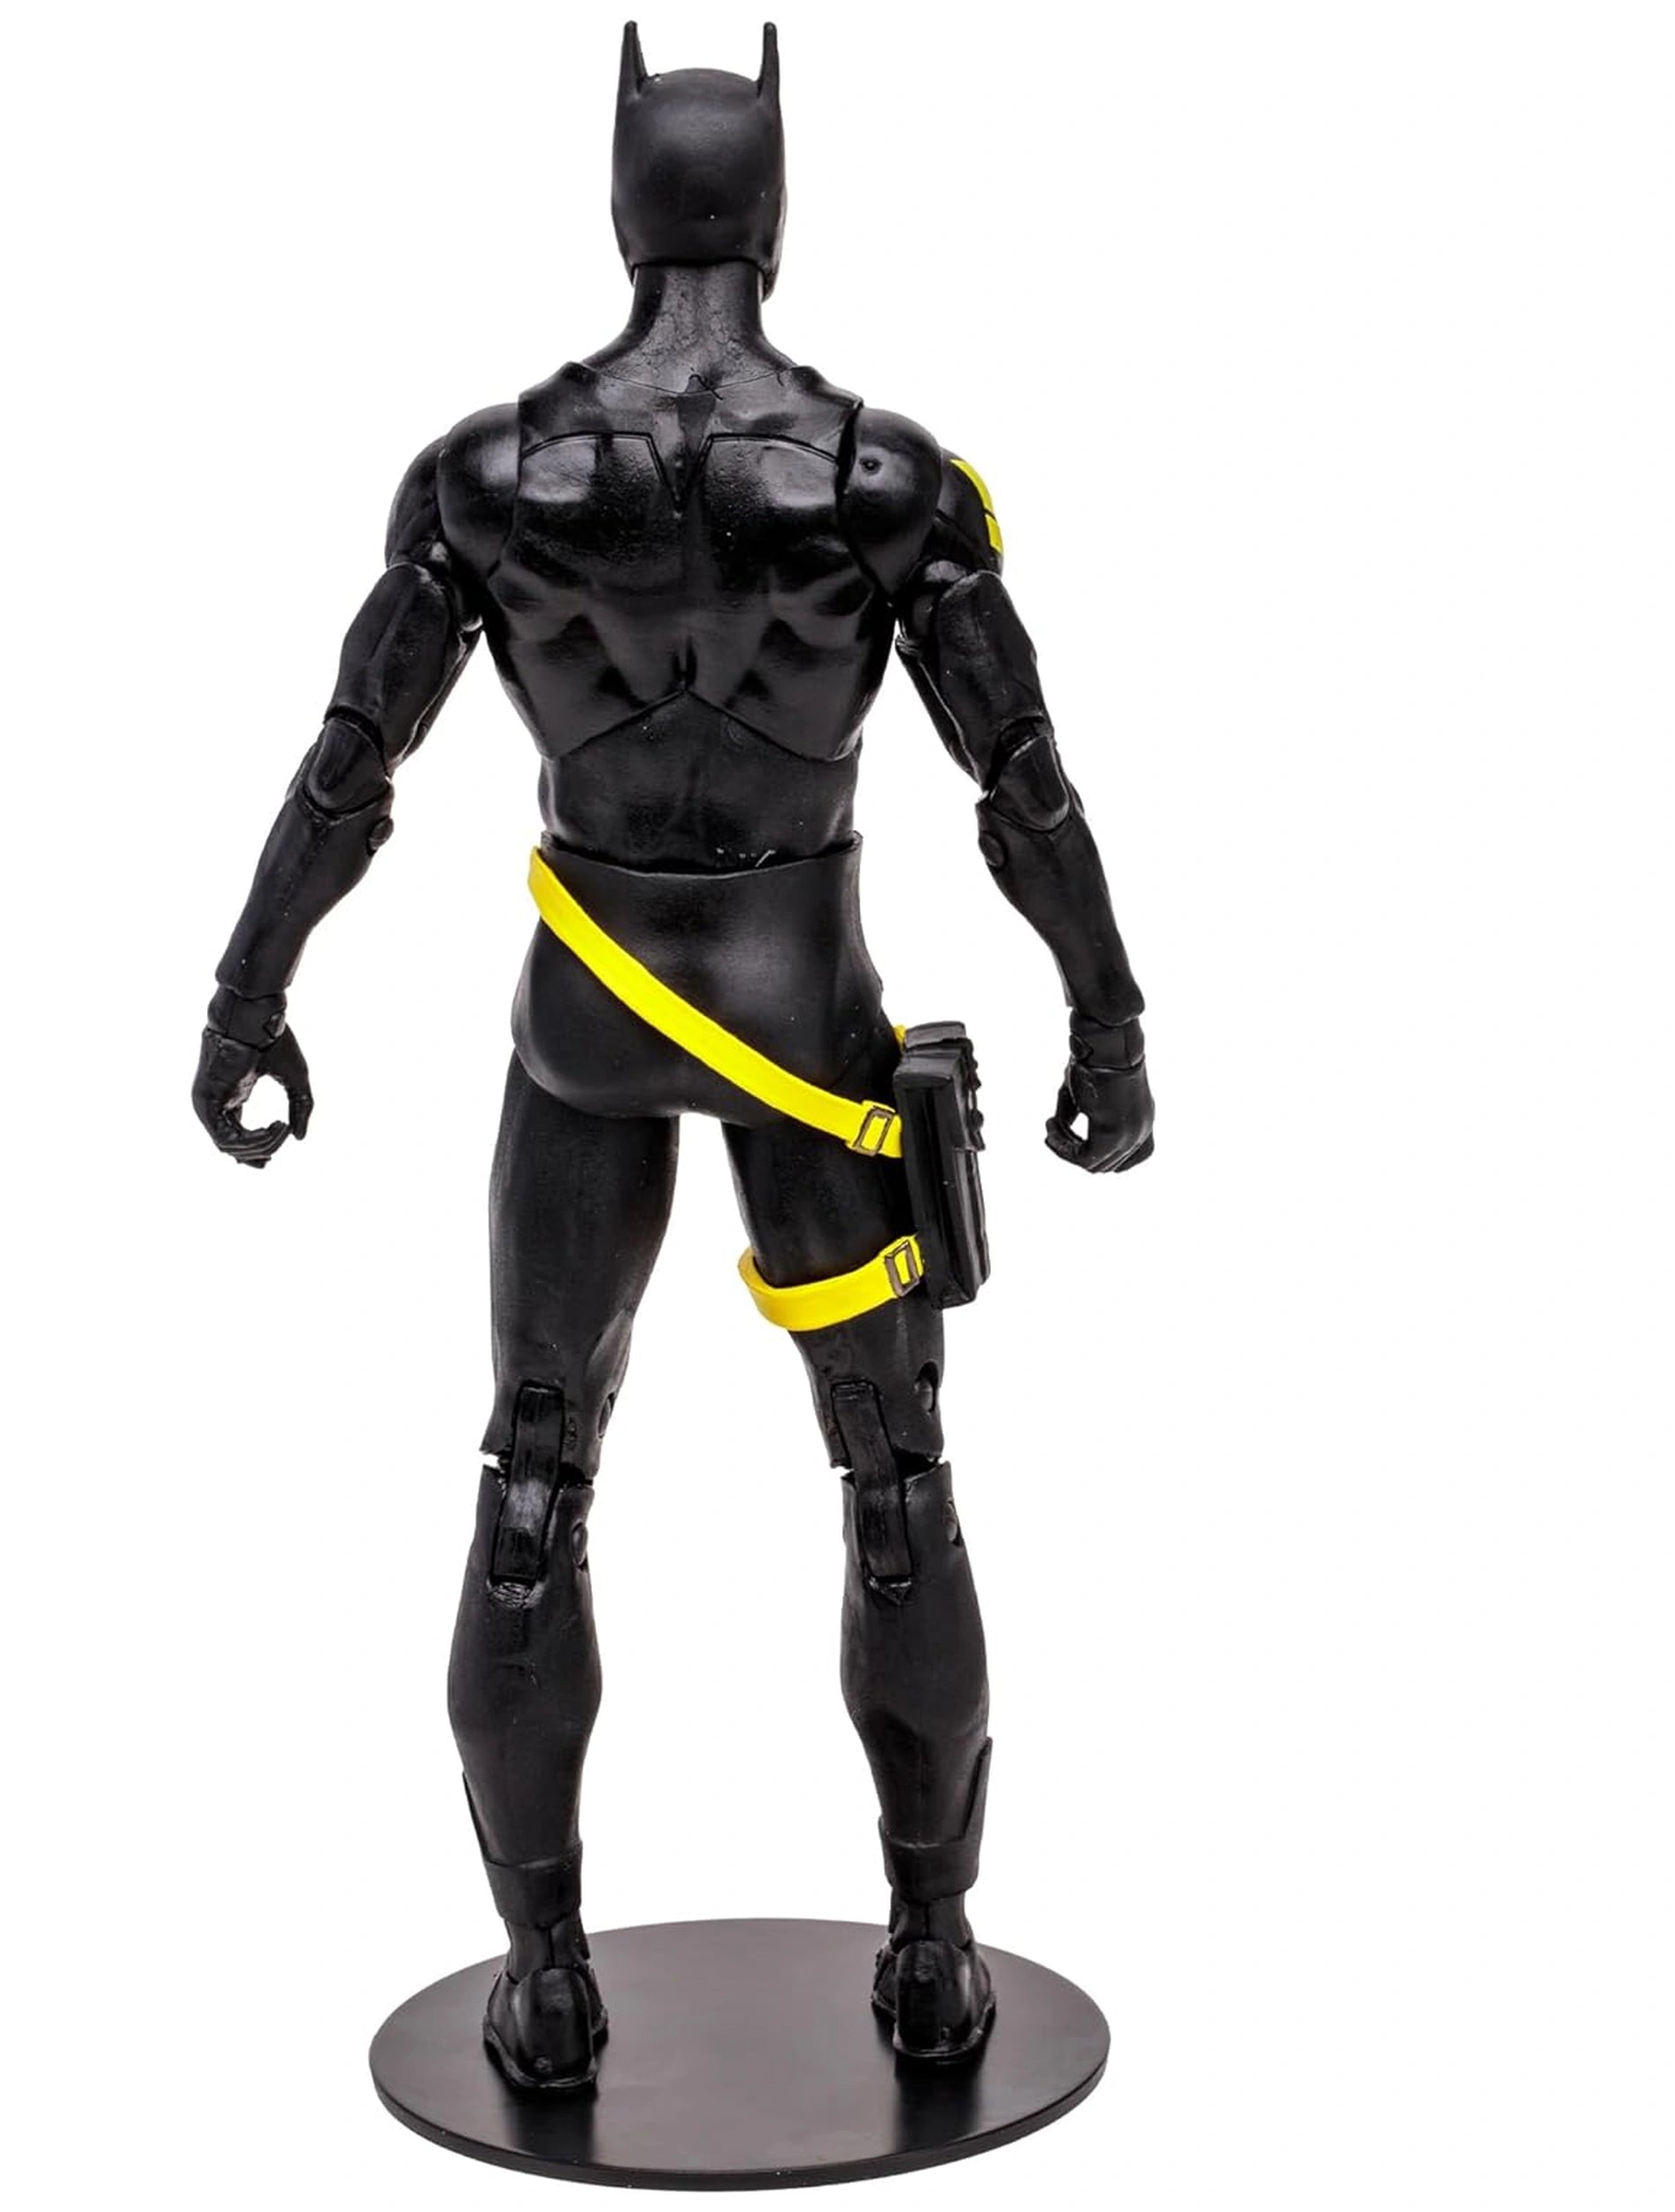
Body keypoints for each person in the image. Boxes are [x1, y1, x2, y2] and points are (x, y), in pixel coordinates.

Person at [193, 23, 1153, 2090]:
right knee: (892, 1480)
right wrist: (1108, 1013)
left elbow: (352, 768)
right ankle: (929, 1950)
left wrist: (247, 990)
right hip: (807, 1016)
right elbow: (1022, 785)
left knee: (532, 1479)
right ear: (774, 211)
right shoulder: (875, 483)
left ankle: (544, 1981)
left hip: (592, 1027)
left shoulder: (493, 481)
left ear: (619, 207)